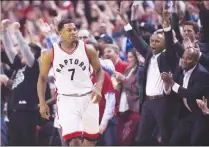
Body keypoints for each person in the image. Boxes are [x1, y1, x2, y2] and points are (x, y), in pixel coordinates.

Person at [37, 19, 104, 146]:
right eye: (69, 30)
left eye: (74, 29)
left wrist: (98, 87)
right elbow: (42, 79)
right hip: (66, 100)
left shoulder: (88, 49)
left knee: (91, 140)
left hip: (88, 98)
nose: (73, 32)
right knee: (74, 141)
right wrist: (42, 103)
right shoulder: (50, 53)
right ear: (60, 33)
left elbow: (100, 70)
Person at [1, 19, 42, 146]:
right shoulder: (19, 66)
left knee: (28, 143)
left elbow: (24, 48)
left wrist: (17, 32)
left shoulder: (33, 66)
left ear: (33, 54)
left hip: (27, 112)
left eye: (26, 53)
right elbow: (10, 50)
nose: (21, 54)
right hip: (13, 112)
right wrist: (4, 31)